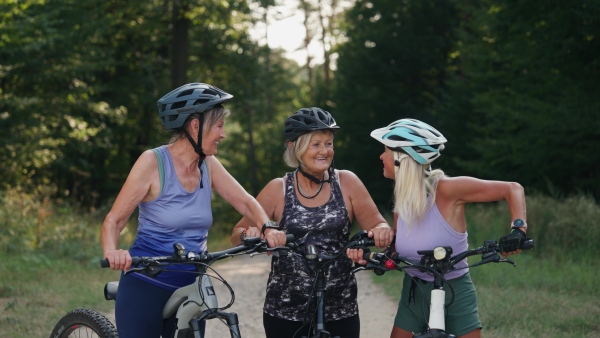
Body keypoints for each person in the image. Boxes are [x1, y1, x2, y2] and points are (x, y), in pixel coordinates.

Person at [101, 82, 284, 338]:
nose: (223, 134)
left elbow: (245, 201)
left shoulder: (208, 164)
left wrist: (268, 227)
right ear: (196, 126)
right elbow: (114, 219)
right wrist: (112, 252)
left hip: (190, 285)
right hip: (147, 281)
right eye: (219, 126)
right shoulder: (153, 162)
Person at [348, 118, 530, 338]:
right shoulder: (403, 201)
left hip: (456, 290)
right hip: (414, 294)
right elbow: (396, 250)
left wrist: (518, 231)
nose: (381, 156)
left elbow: (513, 189)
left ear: (401, 159)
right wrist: (375, 257)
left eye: (385, 150)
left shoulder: (447, 189)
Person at [231, 107, 395, 338]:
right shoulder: (277, 189)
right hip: (286, 308)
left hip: (340, 306)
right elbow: (237, 232)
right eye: (315, 144)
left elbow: (378, 224)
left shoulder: (347, 182)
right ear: (295, 148)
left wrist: (381, 232)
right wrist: (252, 235)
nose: (325, 151)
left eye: (328, 144)